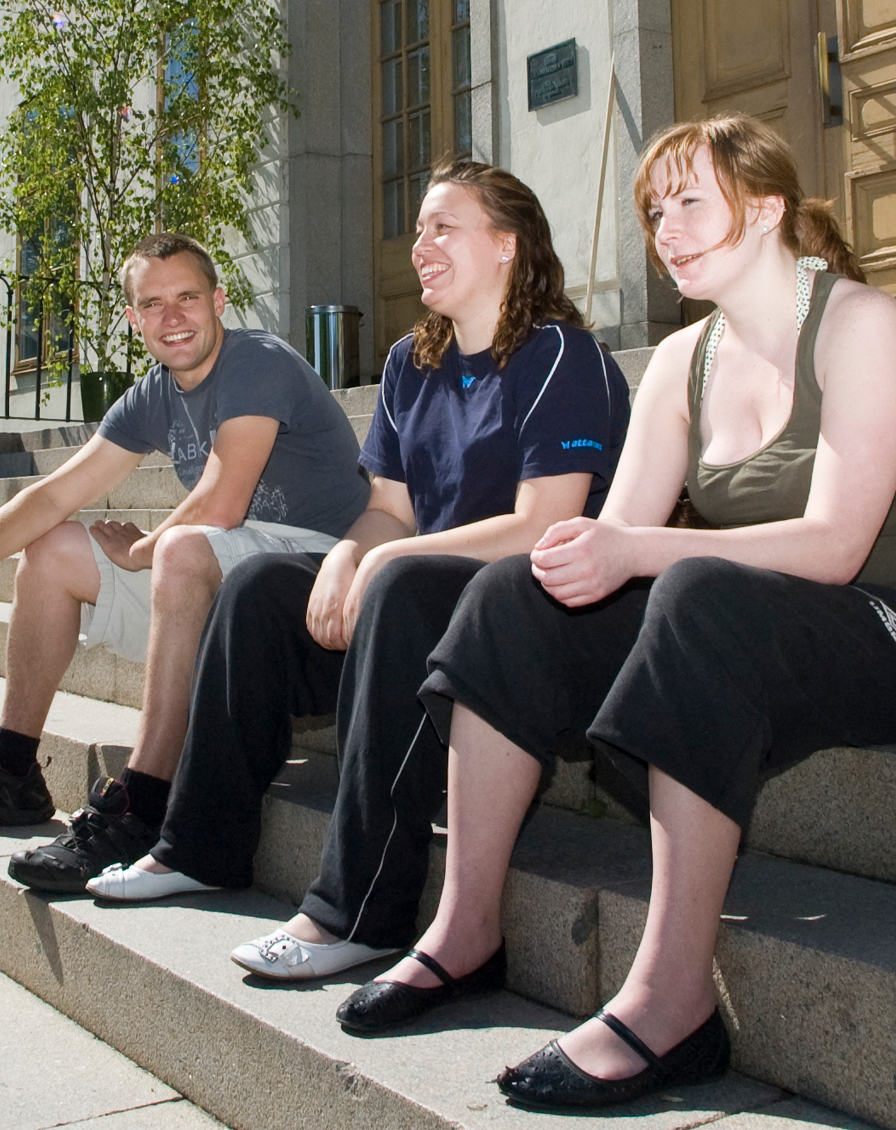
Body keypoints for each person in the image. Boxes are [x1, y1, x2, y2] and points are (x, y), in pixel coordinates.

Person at [339, 114, 896, 1111]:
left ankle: (672, 998)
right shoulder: (684, 358)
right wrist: (577, 561)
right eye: (652, 210)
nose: (665, 229)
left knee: (692, 584)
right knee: (513, 591)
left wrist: (635, 549)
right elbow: (614, 545)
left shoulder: (859, 324)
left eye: (689, 202)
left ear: (764, 208)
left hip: (895, 631)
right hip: (747, 626)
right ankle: (462, 932)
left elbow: (833, 547)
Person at [83, 164, 631, 984]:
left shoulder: (562, 356)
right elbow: (389, 510)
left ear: (508, 245)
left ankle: (359, 913)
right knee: (265, 586)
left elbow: (542, 524)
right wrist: (346, 553)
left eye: (445, 226)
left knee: (404, 589)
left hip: (535, 617)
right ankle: (197, 847)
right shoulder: (414, 360)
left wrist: (383, 560)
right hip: (420, 602)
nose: (420, 245)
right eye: (417, 228)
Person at [0, 232, 373, 894]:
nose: (172, 318)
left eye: (187, 298)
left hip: (313, 579)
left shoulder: (258, 360)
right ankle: (10, 771)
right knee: (54, 549)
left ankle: (145, 804)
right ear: (133, 319)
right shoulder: (152, 395)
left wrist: (144, 550)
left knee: (179, 546)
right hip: (221, 571)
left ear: (219, 302)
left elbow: (223, 500)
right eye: (153, 304)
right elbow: (58, 492)